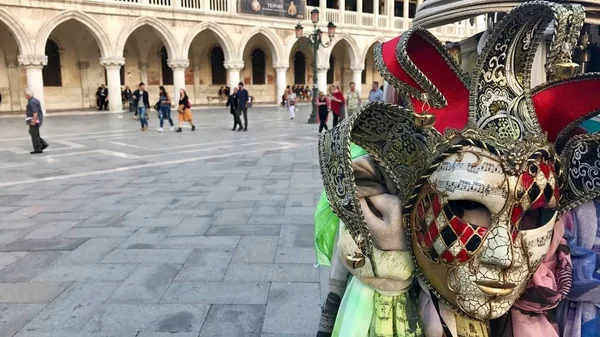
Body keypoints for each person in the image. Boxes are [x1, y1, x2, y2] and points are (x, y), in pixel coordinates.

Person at [313, 3, 600, 337]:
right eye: (468, 208)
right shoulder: (374, 218)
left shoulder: (560, 278)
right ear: (411, 208)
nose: (503, 256)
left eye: (532, 215)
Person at [24, 88, 48, 154]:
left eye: (25, 94)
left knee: (34, 133)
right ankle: (42, 144)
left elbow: (35, 112)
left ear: (28, 95)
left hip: (34, 120)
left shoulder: (32, 102)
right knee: (33, 132)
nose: (24, 95)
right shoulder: (33, 100)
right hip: (35, 119)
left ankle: (38, 148)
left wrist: (34, 121)